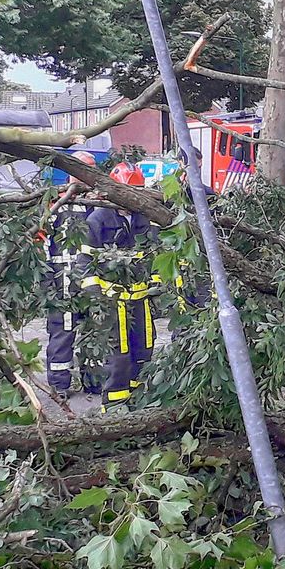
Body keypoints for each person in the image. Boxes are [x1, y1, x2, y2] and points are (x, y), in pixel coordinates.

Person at [83, 162, 157, 412]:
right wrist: (96, 299)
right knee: (118, 355)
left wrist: (157, 286)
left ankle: (139, 401)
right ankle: (114, 408)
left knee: (144, 348)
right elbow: (85, 263)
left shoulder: (142, 218)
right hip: (112, 303)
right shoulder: (98, 219)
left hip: (140, 301)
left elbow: (154, 256)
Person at [43, 151, 98, 399]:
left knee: (94, 328)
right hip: (61, 279)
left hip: (90, 278)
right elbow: (41, 243)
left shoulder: (98, 202)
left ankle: (94, 380)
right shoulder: (53, 202)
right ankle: (59, 384)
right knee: (62, 330)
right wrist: (46, 281)